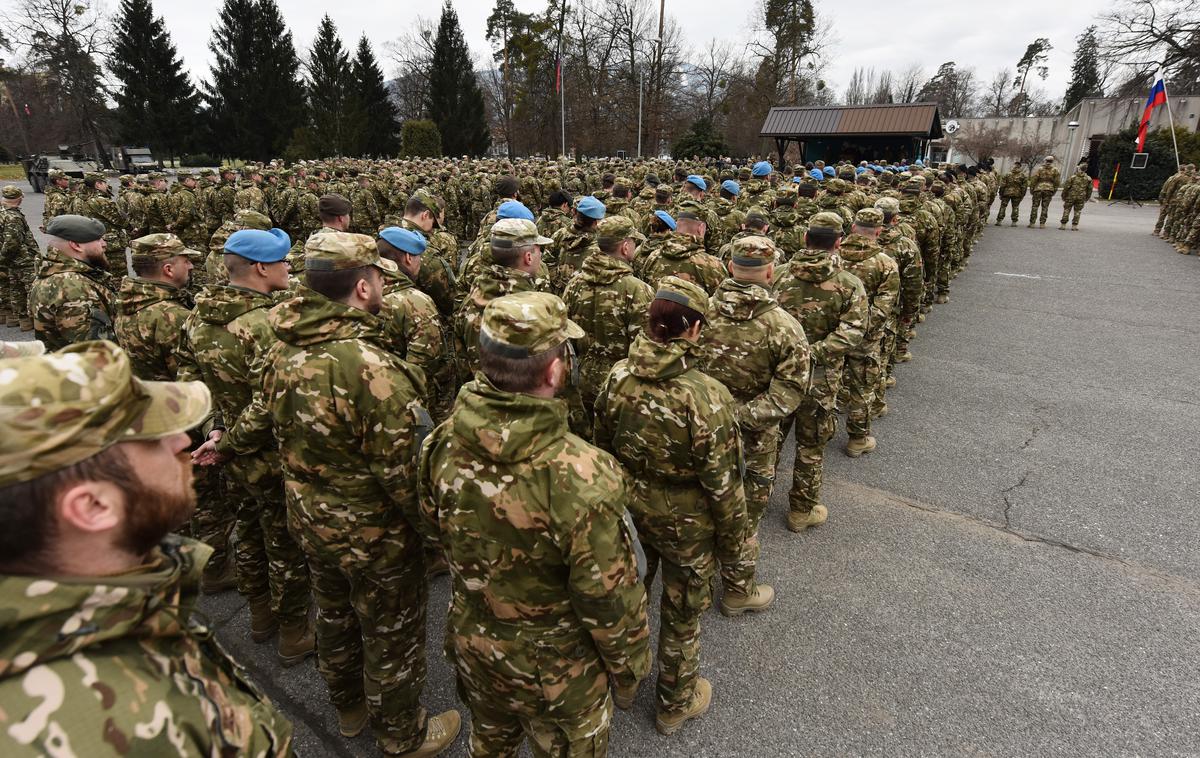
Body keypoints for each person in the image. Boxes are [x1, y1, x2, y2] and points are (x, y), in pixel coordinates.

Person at [205, 230, 459, 756]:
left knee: (336, 619)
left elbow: (259, 412)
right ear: (363, 288)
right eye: (379, 277)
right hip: (375, 536)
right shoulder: (371, 370)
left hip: (310, 519)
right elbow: (405, 476)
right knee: (391, 633)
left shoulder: (283, 346)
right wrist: (440, 535)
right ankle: (401, 735)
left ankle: (348, 711)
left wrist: (225, 444)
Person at [0, 340, 295, 755]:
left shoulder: (113, 605)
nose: (179, 442)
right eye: (150, 436)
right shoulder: (122, 725)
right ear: (92, 505)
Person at [418, 291, 651, 755]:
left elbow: (432, 529)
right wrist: (630, 670)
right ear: (553, 371)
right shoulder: (583, 473)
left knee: (488, 741)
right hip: (560, 674)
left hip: (476, 646)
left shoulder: (441, 442)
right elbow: (607, 599)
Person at [594, 276, 765, 735]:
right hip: (685, 522)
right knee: (683, 611)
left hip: (628, 508)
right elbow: (725, 485)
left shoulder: (616, 375)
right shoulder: (706, 395)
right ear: (691, 328)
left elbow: (601, 447)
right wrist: (735, 550)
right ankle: (674, 702)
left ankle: (625, 682)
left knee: (629, 596)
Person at [185, 228, 315, 664]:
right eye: (283, 261)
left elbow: (204, 388)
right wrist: (231, 442)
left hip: (232, 453)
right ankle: (294, 633)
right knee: (286, 546)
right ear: (261, 268)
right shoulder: (269, 325)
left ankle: (261, 618)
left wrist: (216, 432)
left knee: (251, 536)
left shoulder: (198, 319)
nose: (289, 267)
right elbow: (269, 402)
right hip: (274, 455)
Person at [700, 234, 807, 593]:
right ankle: (737, 590)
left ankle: (697, 581)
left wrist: (712, 416)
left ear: (731, 267)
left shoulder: (698, 312)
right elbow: (788, 393)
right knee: (745, 516)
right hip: (756, 439)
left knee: (700, 504)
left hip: (698, 430)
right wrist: (742, 416)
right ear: (771, 271)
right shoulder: (785, 328)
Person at [773, 211, 867, 529]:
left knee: (769, 439)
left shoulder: (778, 274)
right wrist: (814, 354)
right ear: (839, 243)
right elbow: (853, 332)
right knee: (811, 445)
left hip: (778, 373)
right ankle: (801, 511)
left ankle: (752, 500)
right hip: (821, 378)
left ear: (805, 238)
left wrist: (791, 354)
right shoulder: (849, 284)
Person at [561, 214, 653, 434]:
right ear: (624, 247)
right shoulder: (637, 290)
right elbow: (645, 348)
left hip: (579, 377)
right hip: (620, 385)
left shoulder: (574, 283)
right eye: (633, 242)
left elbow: (563, 333)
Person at [455, 218, 552, 379]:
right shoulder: (536, 310)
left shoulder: (470, 300)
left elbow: (462, 359)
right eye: (539, 249)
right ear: (528, 257)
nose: (541, 255)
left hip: (477, 397)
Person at [837, 208, 900, 457]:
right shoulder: (885, 263)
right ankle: (857, 438)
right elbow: (884, 307)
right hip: (865, 336)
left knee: (829, 378)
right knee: (862, 388)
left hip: (833, 333)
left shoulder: (833, 255)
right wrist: (862, 330)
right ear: (879, 231)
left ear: (854, 227)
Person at [28, 215, 116, 351]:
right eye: (98, 239)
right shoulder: (73, 288)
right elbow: (96, 350)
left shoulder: (52, 271)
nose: (104, 244)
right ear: (76, 245)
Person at [0, 185, 38, 331]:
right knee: (30, 289)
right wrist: (2, 259)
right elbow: (12, 242)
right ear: (18, 198)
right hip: (23, 259)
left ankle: (22, 321)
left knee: (15, 290)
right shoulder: (13, 217)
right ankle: (34, 319)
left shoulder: (3, 213)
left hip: (12, 261)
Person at [1028, 156, 1061, 229]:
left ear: (1045, 160)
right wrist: (1054, 190)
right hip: (1049, 190)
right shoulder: (1055, 170)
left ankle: (1032, 223)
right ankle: (1042, 224)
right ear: (1052, 161)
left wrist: (1032, 189)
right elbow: (1057, 182)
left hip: (1038, 189)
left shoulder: (1039, 169)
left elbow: (1034, 180)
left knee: (1035, 206)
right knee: (1045, 207)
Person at [1059, 164, 1093, 230]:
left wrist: (1063, 196)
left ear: (1079, 168)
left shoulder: (1073, 177)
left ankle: (1063, 225)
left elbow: (1066, 187)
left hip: (1071, 196)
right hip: (1081, 197)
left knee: (1067, 209)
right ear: (1085, 170)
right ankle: (1074, 226)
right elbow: (1090, 189)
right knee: (1078, 211)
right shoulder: (1088, 179)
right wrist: (1087, 198)